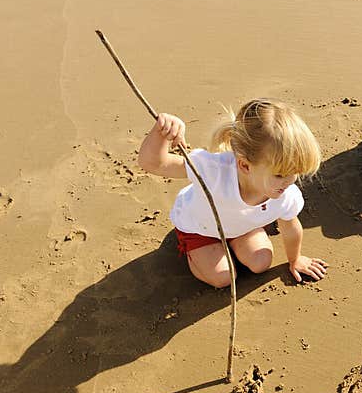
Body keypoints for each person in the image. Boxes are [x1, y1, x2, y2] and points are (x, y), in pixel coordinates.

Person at [137, 98, 328, 288]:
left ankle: (243, 235)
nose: (289, 181)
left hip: (242, 227)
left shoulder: (284, 192)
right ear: (245, 165)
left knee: (261, 262)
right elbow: (154, 163)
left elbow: (291, 228)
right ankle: (191, 250)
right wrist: (161, 133)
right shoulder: (213, 170)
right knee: (223, 278)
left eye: (295, 173)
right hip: (200, 228)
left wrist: (296, 259)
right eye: (279, 174)